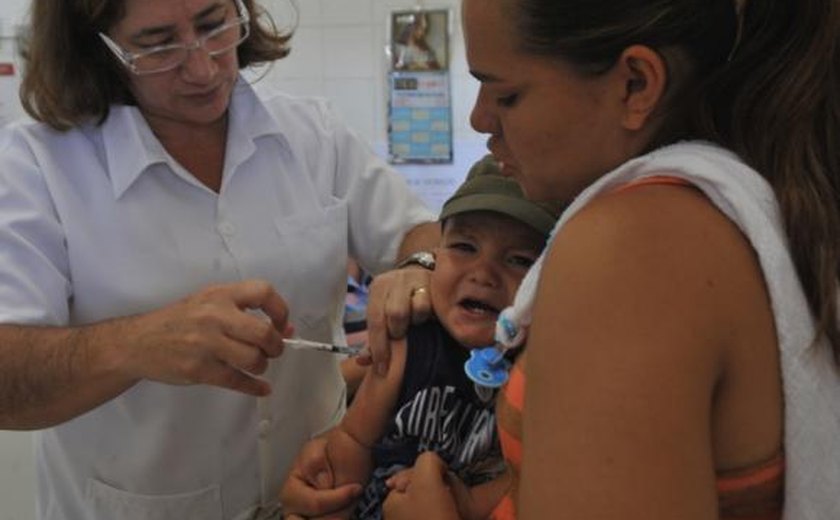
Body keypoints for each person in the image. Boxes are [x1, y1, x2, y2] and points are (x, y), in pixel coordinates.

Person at [288, 0, 840, 519]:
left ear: (635, 84)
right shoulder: (735, 207)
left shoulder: (630, 247)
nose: (481, 120)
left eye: (505, 95)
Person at [0, 0, 440, 519]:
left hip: (317, 502)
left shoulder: (311, 134)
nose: (204, 67)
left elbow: (420, 233)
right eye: (158, 44)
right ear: (95, 49)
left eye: (214, 25)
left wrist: (421, 265)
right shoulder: (35, 166)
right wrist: (135, 344)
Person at [280, 155, 562, 519]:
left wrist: (472, 504)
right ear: (433, 256)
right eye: (464, 247)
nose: (483, 274)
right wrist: (337, 499)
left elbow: (528, 475)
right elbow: (354, 437)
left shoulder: (537, 367)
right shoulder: (409, 341)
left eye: (520, 260)